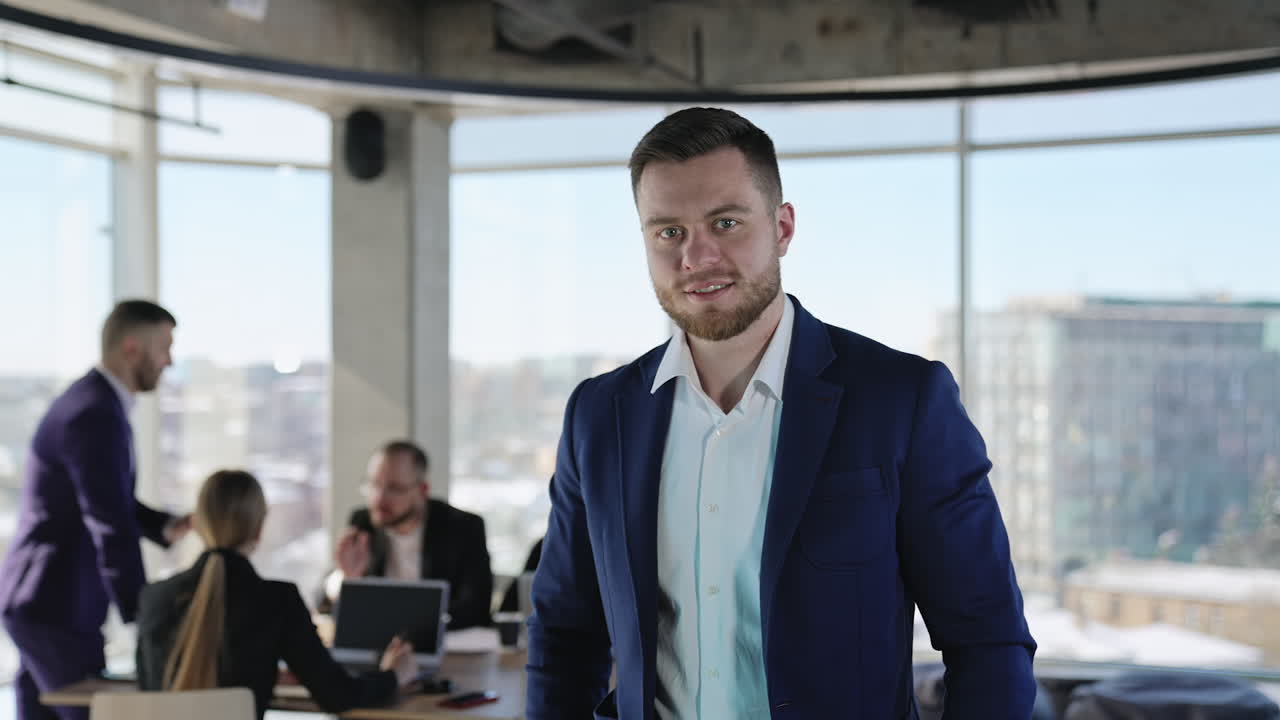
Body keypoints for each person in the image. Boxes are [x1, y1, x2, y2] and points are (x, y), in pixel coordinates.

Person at [526, 108, 1037, 720]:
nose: (697, 256)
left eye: (725, 222)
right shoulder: (598, 414)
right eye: (668, 232)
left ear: (783, 227)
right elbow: (565, 633)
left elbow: (987, 639)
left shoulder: (902, 400)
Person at [0, 299, 192, 720]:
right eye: (164, 347)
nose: (170, 360)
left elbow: (102, 495)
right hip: (57, 604)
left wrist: (163, 526)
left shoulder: (94, 401)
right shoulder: (95, 414)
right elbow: (109, 521)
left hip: (41, 599)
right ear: (131, 347)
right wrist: (142, 616)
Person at [136, 470, 417, 719]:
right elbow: (338, 696)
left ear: (197, 524)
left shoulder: (153, 598)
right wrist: (394, 675)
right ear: (258, 528)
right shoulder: (277, 600)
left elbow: (152, 688)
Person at [318, 440, 494, 630]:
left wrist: (405, 624)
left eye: (394, 488)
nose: (379, 498)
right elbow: (325, 604)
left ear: (423, 490)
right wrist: (348, 578)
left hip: (444, 645)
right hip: (380, 647)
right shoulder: (363, 522)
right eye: (374, 484)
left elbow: (477, 608)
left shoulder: (462, 527)